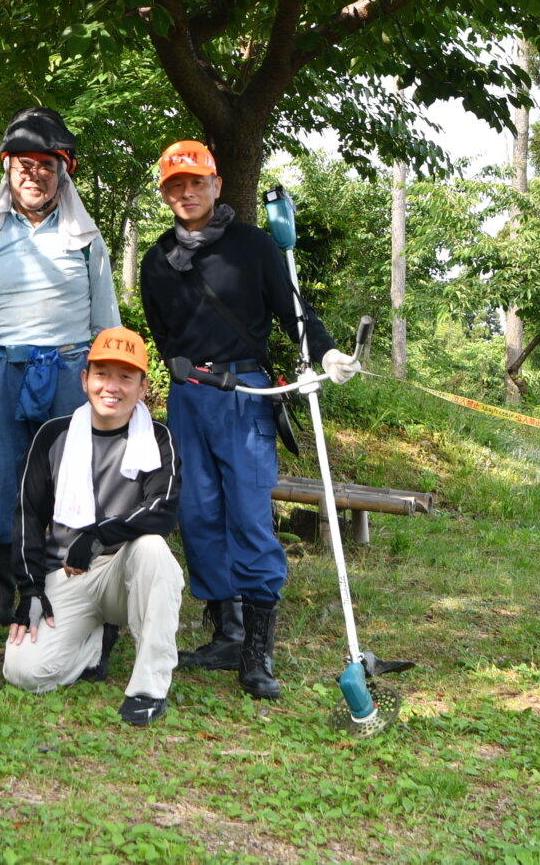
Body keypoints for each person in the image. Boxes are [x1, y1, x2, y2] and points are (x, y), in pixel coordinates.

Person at [138, 141, 356, 700]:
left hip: (245, 392)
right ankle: (228, 634)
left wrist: (326, 353)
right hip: (188, 396)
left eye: (196, 182)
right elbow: (162, 333)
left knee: (249, 515)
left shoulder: (254, 245)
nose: (187, 193)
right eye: (175, 185)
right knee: (198, 513)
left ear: (215, 185)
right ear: (165, 193)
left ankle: (258, 653)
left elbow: (294, 313)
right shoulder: (157, 260)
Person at [0, 107, 120, 632]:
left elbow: (105, 322)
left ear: (61, 172)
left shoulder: (86, 240)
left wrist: (111, 386)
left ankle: (57, 591)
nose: (34, 174)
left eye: (46, 165)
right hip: (0, 371)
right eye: (24, 165)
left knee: (69, 483)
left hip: (69, 371)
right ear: (8, 169)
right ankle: (0, 593)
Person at [3, 327, 183, 727]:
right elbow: (28, 515)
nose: (111, 387)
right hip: (66, 574)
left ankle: (149, 687)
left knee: (153, 547)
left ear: (143, 387)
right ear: (85, 379)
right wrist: (30, 590)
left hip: (124, 573)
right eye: (102, 374)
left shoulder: (157, 438)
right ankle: (94, 644)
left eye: (125, 377)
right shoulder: (54, 434)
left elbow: (163, 511)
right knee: (22, 671)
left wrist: (99, 536)